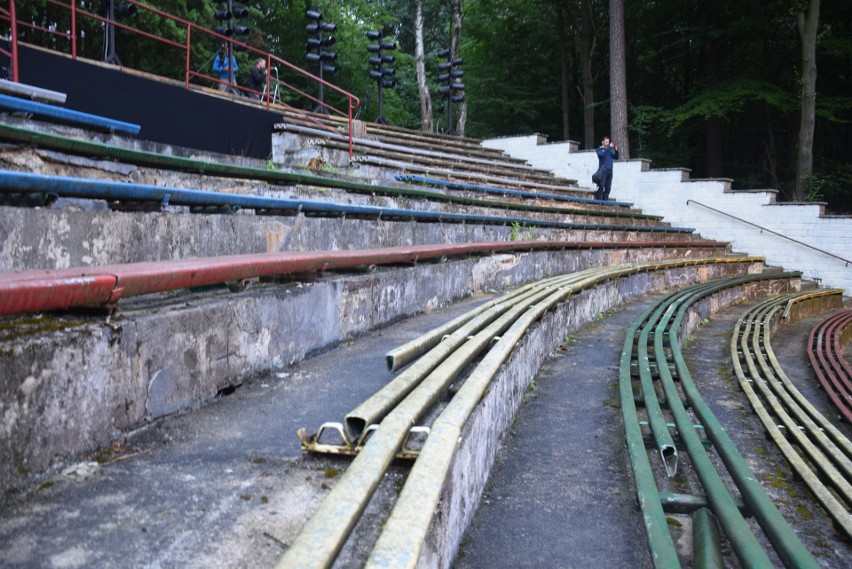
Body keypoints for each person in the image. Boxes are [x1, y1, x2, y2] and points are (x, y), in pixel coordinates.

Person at [594, 135, 619, 201]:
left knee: (608, 188)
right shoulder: (599, 149)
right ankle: (598, 200)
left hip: (610, 170)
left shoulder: (609, 150)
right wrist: (608, 148)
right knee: (601, 186)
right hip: (603, 170)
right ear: (602, 142)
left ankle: (605, 202)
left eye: (608, 142)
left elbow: (616, 157)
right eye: (606, 142)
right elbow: (601, 155)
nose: (607, 143)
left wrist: (616, 151)